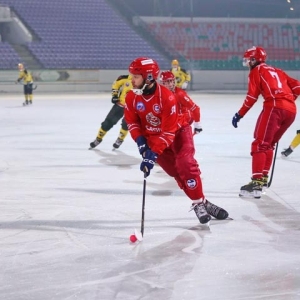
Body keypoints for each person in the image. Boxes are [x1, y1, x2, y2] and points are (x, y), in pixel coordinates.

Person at [125, 57, 228, 225]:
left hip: (178, 132)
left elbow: (167, 133)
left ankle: (197, 203)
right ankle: (202, 202)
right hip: (154, 140)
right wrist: (142, 145)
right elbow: (132, 122)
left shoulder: (167, 97)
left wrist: (152, 154)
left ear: (149, 77)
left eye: (136, 76)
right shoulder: (131, 97)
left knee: (185, 165)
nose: (132, 80)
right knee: (176, 173)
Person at [232, 46, 300, 199]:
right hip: (291, 111)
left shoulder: (256, 72)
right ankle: (262, 178)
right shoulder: (278, 70)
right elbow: (297, 87)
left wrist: (239, 114)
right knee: (269, 144)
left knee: (260, 144)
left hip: (274, 108)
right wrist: (287, 101)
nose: (247, 63)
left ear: (254, 60)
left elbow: (251, 97)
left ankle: (256, 182)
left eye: (248, 60)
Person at [89, 74, 132, 150]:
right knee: (107, 122)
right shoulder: (126, 78)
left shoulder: (145, 81)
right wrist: (115, 96)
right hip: (120, 105)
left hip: (133, 108)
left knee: (126, 124)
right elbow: (116, 84)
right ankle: (98, 138)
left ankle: (120, 139)